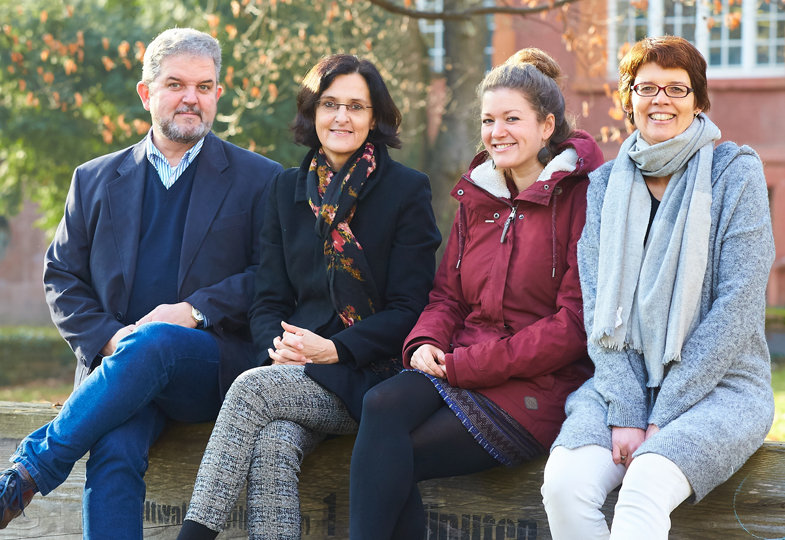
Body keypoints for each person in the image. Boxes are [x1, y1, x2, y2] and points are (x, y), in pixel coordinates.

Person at [0, 28, 282, 537]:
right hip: (119, 372)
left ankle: (28, 472)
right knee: (111, 451)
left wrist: (194, 311)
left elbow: (273, 278)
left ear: (218, 93)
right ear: (146, 92)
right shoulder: (94, 179)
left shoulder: (261, 179)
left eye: (204, 86)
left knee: (159, 341)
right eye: (176, 84)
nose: (191, 98)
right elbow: (62, 276)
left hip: (211, 369)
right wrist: (111, 339)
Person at [176, 53, 441, 540]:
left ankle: (192, 535)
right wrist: (274, 354)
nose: (342, 117)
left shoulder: (406, 191)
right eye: (330, 104)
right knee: (274, 444)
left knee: (250, 390)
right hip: (295, 371)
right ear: (311, 112)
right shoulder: (285, 190)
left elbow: (412, 311)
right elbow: (268, 300)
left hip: (372, 376)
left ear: (375, 117)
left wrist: (335, 349)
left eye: (356, 107)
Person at [349, 49, 604, 539]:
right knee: (380, 407)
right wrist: (424, 343)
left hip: (535, 388)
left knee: (395, 456)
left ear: (547, 126)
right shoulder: (479, 196)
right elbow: (447, 295)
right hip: (459, 365)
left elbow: (574, 326)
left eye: (512, 118)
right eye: (489, 120)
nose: (497, 132)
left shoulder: (583, 198)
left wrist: (467, 364)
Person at [541, 36, 775, 539]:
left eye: (677, 88)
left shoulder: (737, 173)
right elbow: (599, 303)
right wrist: (628, 409)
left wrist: (664, 413)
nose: (661, 100)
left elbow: (737, 307)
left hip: (722, 387)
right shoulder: (604, 186)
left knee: (644, 485)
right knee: (564, 486)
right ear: (629, 101)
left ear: (698, 100)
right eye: (647, 87)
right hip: (621, 384)